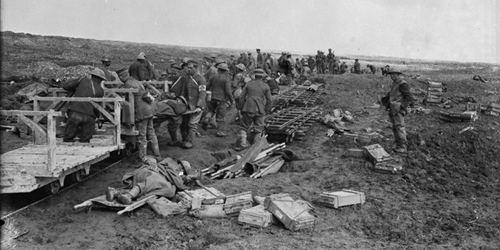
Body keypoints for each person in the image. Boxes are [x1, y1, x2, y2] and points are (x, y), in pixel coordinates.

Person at [106, 156, 199, 205]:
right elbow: (179, 183)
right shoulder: (169, 163)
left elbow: (180, 181)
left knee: (161, 187)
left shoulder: (178, 175)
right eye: (180, 165)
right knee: (159, 184)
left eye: (182, 169)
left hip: (147, 177)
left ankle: (115, 192)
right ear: (179, 164)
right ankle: (129, 196)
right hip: (149, 173)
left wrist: (191, 178)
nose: (179, 168)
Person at [116, 68, 161, 160]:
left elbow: (120, 93)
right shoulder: (135, 81)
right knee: (151, 132)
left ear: (121, 77)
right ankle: (157, 155)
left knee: (142, 136)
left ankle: (143, 158)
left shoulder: (128, 84)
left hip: (141, 111)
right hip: (149, 109)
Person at [168, 60, 206, 149]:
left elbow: (202, 93)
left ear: (196, 68)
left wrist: (199, 106)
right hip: (188, 105)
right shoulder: (187, 78)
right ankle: (184, 139)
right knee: (183, 124)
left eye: (191, 68)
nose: (188, 69)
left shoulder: (200, 79)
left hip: (196, 106)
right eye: (188, 68)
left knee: (192, 124)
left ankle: (189, 141)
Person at [61, 68, 105, 142]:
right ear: (101, 80)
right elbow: (97, 107)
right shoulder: (101, 91)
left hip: (75, 114)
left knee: (67, 139)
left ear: (92, 75)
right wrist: (97, 117)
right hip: (89, 117)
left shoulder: (83, 80)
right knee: (85, 140)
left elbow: (66, 86)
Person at [236, 69, 272, 150]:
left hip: (248, 108)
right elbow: (270, 100)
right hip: (260, 110)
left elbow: (241, 97)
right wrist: (266, 110)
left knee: (244, 127)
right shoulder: (265, 86)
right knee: (259, 129)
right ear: (262, 76)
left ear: (254, 75)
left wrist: (241, 108)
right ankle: (255, 147)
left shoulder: (249, 84)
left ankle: (242, 144)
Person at [382, 70, 414, 153]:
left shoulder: (403, 84)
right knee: (395, 127)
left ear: (398, 75)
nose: (391, 77)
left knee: (400, 127)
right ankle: (398, 143)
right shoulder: (395, 82)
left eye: (393, 75)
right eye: (390, 75)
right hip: (393, 108)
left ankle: (403, 146)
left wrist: (402, 106)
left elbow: (409, 97)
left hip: (398, 109)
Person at [202, 63, 234, 137]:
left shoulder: (213, 76)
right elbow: (228, 92)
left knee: (210, 111)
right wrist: (231, 100)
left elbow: (207, 86)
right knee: (220, 116)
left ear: (218, 69)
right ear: (225, 71)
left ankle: (206, 119)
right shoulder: (226, 79)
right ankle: (220, 132)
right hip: (221, 99)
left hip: (212, 97)